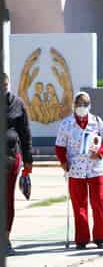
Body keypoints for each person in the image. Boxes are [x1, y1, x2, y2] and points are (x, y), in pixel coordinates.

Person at [55, 91, 103, 250]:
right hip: (76, 169)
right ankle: (81, 238)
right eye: (79, 104)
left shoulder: (97, 121)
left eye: (85, 104)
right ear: (74, 105)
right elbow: (59, 147)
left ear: (90, 105)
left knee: (99, 203)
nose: (82, 107)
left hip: (96, 169)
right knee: (79, 205)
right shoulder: (66, 123)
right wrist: (63, 162)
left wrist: (101, 152)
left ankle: (100, 237)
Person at [2, 73, 33, 256]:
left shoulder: (17, 103)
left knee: (7, 201)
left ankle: (6, 239)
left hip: (11, 159)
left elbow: (25, 133)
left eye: (5, 84)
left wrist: (28, 161)